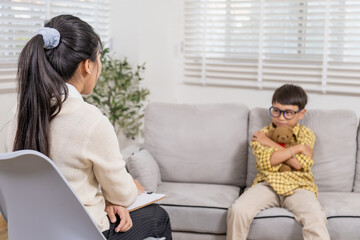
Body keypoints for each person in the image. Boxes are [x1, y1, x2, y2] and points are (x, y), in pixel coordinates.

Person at [5, 14, 172, 240]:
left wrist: (106, 201)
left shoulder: (19, 111)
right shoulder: (90, 120)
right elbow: (123, 194)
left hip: (30, 232)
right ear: (87, 66)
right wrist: (133, 188)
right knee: (158, 216)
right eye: (99, 59)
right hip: (84, 234)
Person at [226, 84, 330, 240]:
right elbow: (267, 161)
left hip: (299, 186)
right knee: (238, 210)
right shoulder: (260, 135)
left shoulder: (306, 135)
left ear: (301, 113)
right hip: (267, 184)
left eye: (288, 113)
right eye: (276, 111)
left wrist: (269, 143)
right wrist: (297, 149)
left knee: (315, 216)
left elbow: (300, 165)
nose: (281, 117)